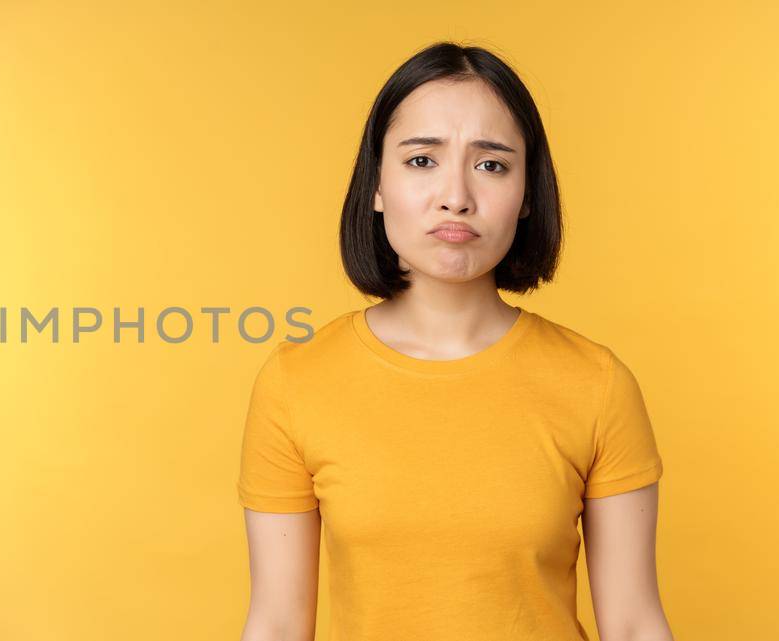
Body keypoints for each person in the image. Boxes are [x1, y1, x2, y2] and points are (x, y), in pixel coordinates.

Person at [236, 42, 672, 641]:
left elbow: (632, 624)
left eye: (492, 164)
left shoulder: (596, 384)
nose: (456, 196)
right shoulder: (296, 382)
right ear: (376, 185)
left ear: (526, 197)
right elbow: (279, 624)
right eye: (422, 161)